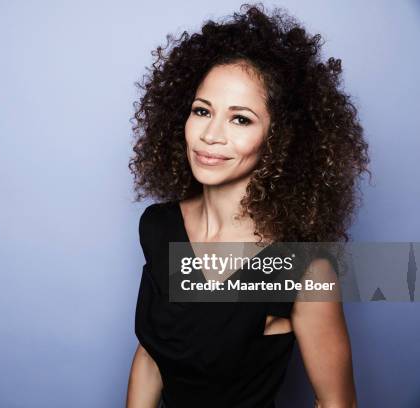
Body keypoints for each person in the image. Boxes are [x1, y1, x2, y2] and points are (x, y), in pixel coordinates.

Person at [126, 4, 370, 408]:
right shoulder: (159, 226)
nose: (210, 135)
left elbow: (336, 403)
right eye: (202, 111)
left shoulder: (303, 270)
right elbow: (152, 356)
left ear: (280, 139)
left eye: (241, 119)